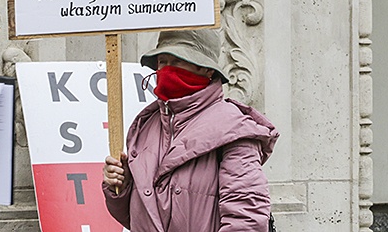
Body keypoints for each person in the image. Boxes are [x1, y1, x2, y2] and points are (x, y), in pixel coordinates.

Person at [102, 29, 279, 232]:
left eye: (177, 60)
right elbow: (136, 218)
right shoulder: (146, 125)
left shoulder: (232, 127)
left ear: (207, 69)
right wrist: (121, 187)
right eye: (162, 61)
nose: (167, 69)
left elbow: (247, 219)